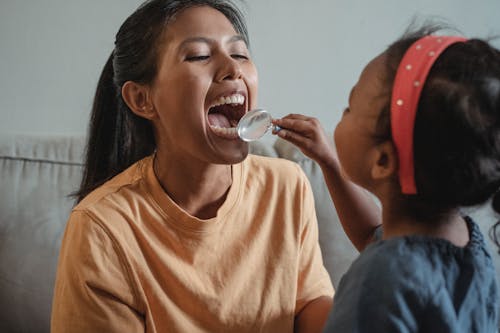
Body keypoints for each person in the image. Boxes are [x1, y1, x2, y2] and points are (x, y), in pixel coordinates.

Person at [50, 1, 335, 332]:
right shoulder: (102, 227)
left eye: (240, 54)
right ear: (143, 100)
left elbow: (309, 304)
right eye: (199, 55)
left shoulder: (286, 185)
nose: (233, 69)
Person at [273, 25, 500, 332]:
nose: (341, 113)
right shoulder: (466, 242)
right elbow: (373, 236)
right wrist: (329, 162)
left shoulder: (378, 281)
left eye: (349, 108)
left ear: (382, 160)